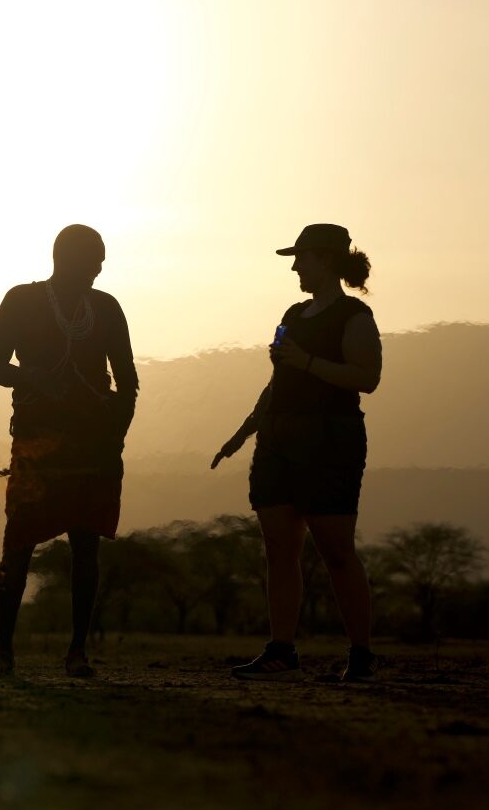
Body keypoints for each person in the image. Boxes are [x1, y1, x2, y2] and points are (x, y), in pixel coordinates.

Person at [211, 223, 382, 682]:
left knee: (336, 550)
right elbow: (279, 379)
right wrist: (245, 431)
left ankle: (361, 654)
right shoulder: (293, 311)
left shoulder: (354, 316)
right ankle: (281, 650)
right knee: (278, 549)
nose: (295, 267)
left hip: (331, 441)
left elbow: (367, 377)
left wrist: (308, 363)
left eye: (301, 258)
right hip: (278, 441)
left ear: (324, 259)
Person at [0, 224, 138, 678]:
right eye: (93, 259)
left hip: (94, 443)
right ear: (64, 258)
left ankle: (76, 653)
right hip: (37, 440)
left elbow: (127, 380)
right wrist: (33, 379)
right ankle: (3, 650)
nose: (100, 268)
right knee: (18, 543)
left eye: (102, 260)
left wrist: (116, 434)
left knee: (85, 544)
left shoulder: (106, 309)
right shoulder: (22, 300)